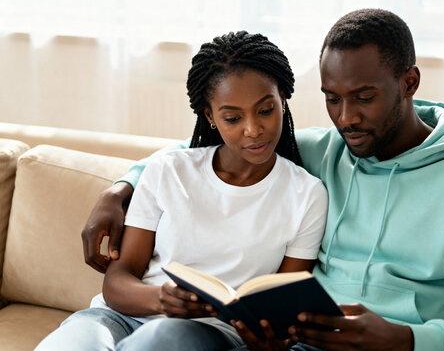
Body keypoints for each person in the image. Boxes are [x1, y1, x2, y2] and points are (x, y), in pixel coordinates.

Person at [82, 9, 444, 351]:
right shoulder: (325, 150)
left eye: (364, 97)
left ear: (409, 82)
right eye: (332, 99)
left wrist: (406, 340)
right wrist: (120, 188)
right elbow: (209, 148)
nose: (346, 118)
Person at [36, 31, 329, 351]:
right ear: (210, 117)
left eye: (265, 110)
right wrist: (161, 299)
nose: (253, 129)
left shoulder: (307, 195)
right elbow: (117, 282)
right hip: (119, 318)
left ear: (283, 99)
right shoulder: (168, 170)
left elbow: (279, 307)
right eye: (233, 117)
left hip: (209, 334)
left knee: (162, 339)